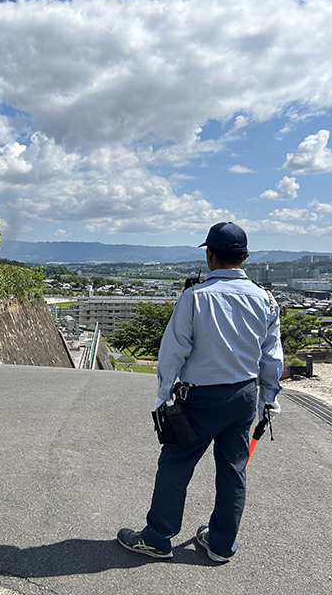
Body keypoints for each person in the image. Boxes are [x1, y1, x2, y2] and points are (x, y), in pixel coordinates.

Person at [117, 221, 283, 563]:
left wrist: (162, 396)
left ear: (209, 255)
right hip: (244, 396)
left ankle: (157, 537)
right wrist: (269, 398)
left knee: (176, 465)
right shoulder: (266, 300)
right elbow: (271, 356)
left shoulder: (196, 297)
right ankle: (221, 543)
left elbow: (173, 352)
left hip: (200, 398)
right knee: (233, 469)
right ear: (246, 256)